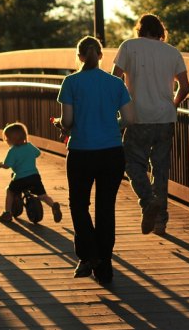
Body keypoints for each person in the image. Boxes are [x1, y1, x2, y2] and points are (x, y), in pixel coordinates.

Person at [54, 36, 135, 284]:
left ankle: (90, 254)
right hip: (112, 152)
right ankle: (104, 265)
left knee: (79, 205)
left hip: (81, 152)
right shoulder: (115, 83)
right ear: (101, 56)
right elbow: (129, 119)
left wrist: (62, 125)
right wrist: (111, 124)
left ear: (79, 56)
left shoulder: (70, 82)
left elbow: (67, 121)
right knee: (105, 208)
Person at [112, 13, 189, 236]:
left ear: (140, 30)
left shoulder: (129, 47)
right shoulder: (173, 52)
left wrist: (119, 107)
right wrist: (173, 104)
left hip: (138, 116)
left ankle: (148, 201)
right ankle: (160, 223)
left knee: (131, 163)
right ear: (160, 32)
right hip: (165, 118)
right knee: (161, 168)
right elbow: (185, 87)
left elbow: (115, 79)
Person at [0, 122, 62, 224]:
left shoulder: (12, 151)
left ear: (10, 140)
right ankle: (53, 205)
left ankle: (7, 213)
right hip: (34, 177)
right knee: (42, 195)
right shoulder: (29, 146)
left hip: (20, 178)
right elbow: (38, 153)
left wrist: (0, 165)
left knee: (10, 191)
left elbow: (7, 165)